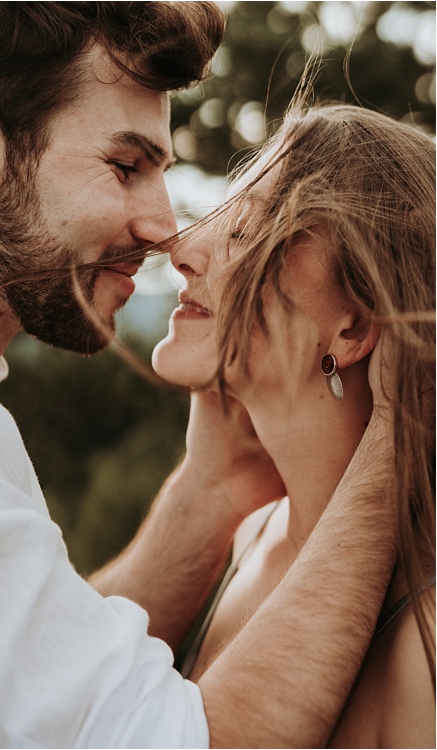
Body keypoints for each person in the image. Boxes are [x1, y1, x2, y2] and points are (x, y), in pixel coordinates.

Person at [0, 3, 404, 747]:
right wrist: (392, 454)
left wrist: (209, 491)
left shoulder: (412, 633)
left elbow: (61, 689)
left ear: (353, 326)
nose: (172, 235)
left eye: (248, 230)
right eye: (124, 165)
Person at [153, 102, 436, 748]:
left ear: (356, 327)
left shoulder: (426, 640)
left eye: (245, 233)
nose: (182, 248)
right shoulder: (250, 536)